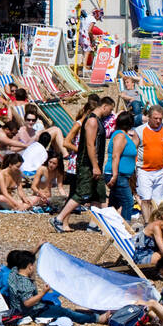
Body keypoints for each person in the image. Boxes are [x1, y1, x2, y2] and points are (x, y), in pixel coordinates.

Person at [54, 96, 113, 233]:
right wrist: (95, 166)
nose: (109, 114)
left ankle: (95, 225)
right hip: (87, 164)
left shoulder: (97, 121)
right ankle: (58, 219)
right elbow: (90, 145)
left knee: (99, 194)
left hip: (94, 163)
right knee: (82, 193)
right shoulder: (92, 121)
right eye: (109, 110)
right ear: (104, 106)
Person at [2, 249, 108, 324]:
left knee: (57, 307)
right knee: (65, 312)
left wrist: (37, 247)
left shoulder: (14, 272)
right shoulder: (25, 284)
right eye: (33, 265)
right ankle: (97, 319)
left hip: (18, 308)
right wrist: (43, 292)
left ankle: (88, 314)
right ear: (30, 267)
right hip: (32, 312)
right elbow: (27, 302)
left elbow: (22, 258)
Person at [137, 105, 163, 223]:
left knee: (159, 201)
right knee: (146, 199)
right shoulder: (140, 131)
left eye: (160, 118)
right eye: (155, 118)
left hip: (161, 170)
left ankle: (157, 224)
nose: (158, 121)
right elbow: (133, 149)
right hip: (144, 170)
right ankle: (148, 224)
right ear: (149, 117)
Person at [105, 110, 138, 222]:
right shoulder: (120, 136)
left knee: (114, 202)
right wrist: (114, 175)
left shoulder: (124, 135)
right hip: (118, 175)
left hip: (121, 175)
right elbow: (115, 156)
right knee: (128, 202)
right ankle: (125, 228)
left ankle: (108, 224)